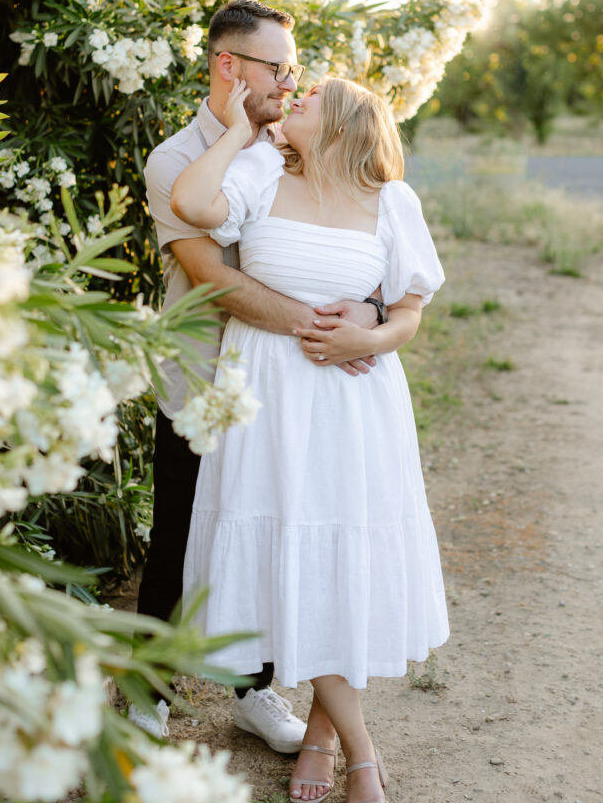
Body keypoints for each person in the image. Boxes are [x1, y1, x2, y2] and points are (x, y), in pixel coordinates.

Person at [171, 75, 449, 803]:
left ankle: (326, 740)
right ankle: (360, 749)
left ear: (348, 121)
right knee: (293, 547)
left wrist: (372, 333)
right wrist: (235, 129)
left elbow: (410, 310)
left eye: (312, 93)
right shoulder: (261, 170)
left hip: (356, 402)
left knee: (345, 553)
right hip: (267, 397)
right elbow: (192, 207)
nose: (293, 95)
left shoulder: (392, 201)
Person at [137, 0, 384, 744]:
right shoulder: (176, 162)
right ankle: (147, 690)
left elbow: (356, 234)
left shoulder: (297, 145)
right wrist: (319, 328)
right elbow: (212, 277)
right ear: (228, 67)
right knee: (180, 538)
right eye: (277, 67)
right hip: (205, 382)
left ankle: (254, 689)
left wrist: (370, 313)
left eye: (291, 68)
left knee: (276, 529)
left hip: (288, 388)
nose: (288, 81)